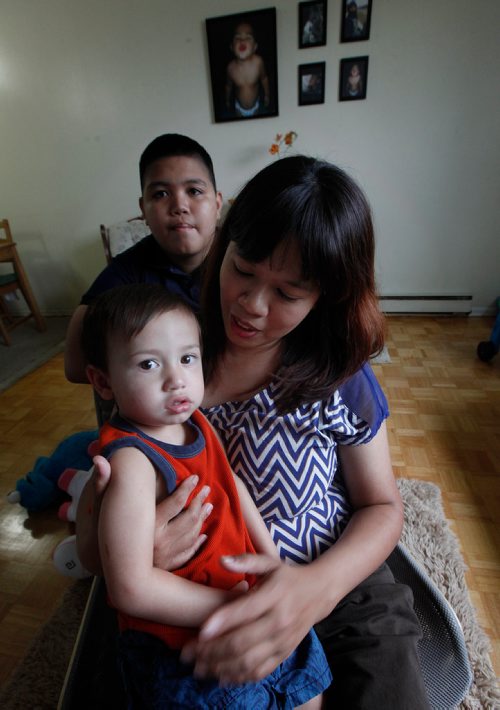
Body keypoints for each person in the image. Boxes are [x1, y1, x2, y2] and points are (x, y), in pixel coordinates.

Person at [78, 156, 430, 708]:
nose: (252, 304)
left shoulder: (336, 371)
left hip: (334, 581)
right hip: (196, 588)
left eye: (288, 294)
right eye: (243, 269)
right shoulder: (169, 352)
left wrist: (314, 590)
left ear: (325, 298)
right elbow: (106, 544)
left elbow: (383, 506)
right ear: (224, 244)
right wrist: (139, 550)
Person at [81, 282, 330, 708]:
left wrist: (272, 561)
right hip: (182, 645)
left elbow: (232, 484)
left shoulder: (196, 421)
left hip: (241, 597)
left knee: (308, 683)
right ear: (103, 382)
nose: (175, 379)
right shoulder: (132, 463)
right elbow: (130, 587)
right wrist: (231, 606)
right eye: (147, 365)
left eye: (187, 358)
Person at [64, 133, 223, 384]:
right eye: (160, 194)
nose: (179, 206)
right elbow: (75, 365)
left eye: (194, 191)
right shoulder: (128, 272)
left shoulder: (245, 259)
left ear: (217, 204)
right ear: (143, 210)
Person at [225, 21, 270, 118]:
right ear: (232, 47)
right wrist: (227, 100)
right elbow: (228, 86)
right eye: (237, 38)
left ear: (255, 47)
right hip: (239, 108)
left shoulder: (258, 62)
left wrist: (267, 95)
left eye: (248, 38)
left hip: (256, 106)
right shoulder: (230, 68)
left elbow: (264, 79)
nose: (242, 41)